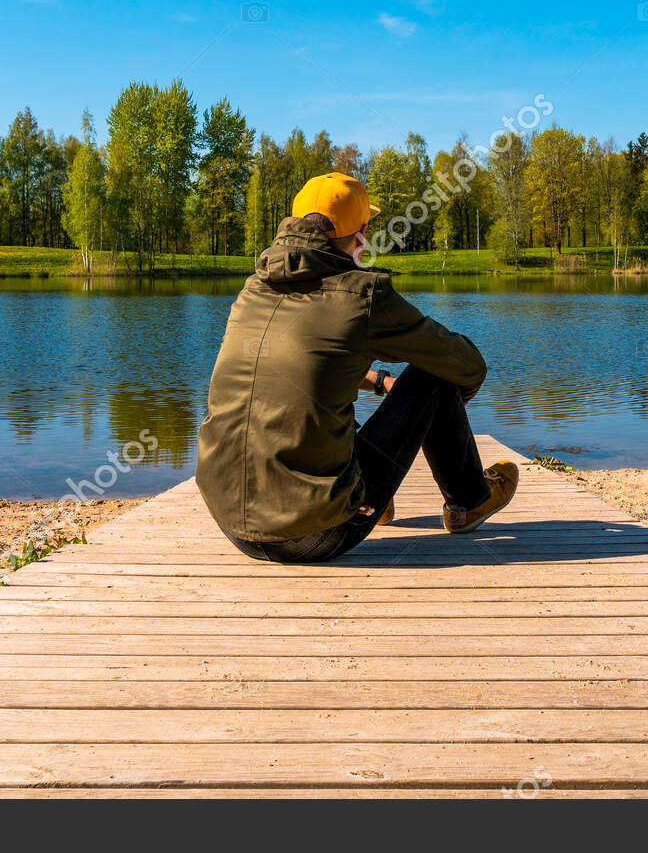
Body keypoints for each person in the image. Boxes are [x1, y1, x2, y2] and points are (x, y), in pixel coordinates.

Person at [195, 171, 519, 563]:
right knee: (435, 372)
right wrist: (440, 407)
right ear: (362, 233)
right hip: (317, 532)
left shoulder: (253, 290)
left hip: (231, 521)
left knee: (309, 401)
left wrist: (381, 381)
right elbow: (468, 367)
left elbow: (302, 367)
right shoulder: (362, 296)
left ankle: (376, 501)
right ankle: (468, 500)